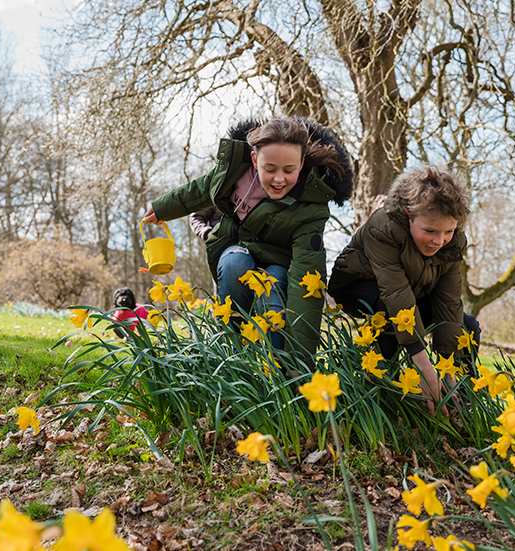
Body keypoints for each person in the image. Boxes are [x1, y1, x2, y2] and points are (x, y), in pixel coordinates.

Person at [143, 117, 353, 368]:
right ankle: (233, 355)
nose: (279, 179)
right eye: (270, 168)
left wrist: (300, 363)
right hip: (237, 248)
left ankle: (280, 369)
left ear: (302, 164)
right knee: (234, 262)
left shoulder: (312, 208)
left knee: (272, 287)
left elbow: (306, 282)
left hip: (280, 262)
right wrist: (162, 208)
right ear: (255, 161)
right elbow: (201, 189)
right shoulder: (236, 172)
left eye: (289, 170)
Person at [327, 165, 481, 414]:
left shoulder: (453, 243)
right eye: (430, 231)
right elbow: (395, 295)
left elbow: (448, 302)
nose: (439, 241)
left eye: (448, 231)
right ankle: (380, 396)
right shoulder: (384, 227)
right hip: (358, 285)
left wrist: (446, 366)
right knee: (388, 312)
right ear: (409, 215)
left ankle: (459, 402)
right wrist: (423, 365)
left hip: (409, 291)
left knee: (467, 326)